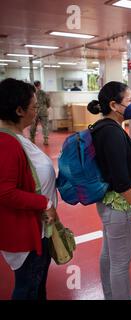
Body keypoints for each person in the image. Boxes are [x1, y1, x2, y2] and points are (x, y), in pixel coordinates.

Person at [87, 81, 131, 300]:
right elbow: (122, 181)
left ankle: (110, 295)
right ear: (115, 105)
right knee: (120, 263)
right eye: (130, 101)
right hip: (119, 206)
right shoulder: (112, 133)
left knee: (109, 254)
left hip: (107, 201)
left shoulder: (103, 128)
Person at [0, 78, 58, 300]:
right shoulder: (6, 143)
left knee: (36, 286)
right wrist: (44, 202)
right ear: (18, 110)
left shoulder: (16, 137)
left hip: (35, 227)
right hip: (25, 234)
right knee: (28, 289)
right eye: (33, 107)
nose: (36, 112)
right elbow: (4, 191)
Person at [29, 81, 51, 146]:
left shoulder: (32, 93)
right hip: (43, 110)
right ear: (39, 85)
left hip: (34, 110)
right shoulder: (45, 93)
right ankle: (46, 139)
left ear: (34, 85)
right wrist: (45, 107)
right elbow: (48, 103)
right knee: (45, 126)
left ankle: (32, 139)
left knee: (33, 125)